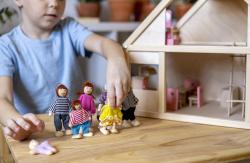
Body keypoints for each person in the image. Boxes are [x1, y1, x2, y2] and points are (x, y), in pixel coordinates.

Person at [0, 0, 130, 141]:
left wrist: (117, 59)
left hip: (76, 129)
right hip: (35, 136)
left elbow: (106, 44)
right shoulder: (6, 46)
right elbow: (3, 98)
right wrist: (17, 123)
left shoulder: (69, 28)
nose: (55, 3)